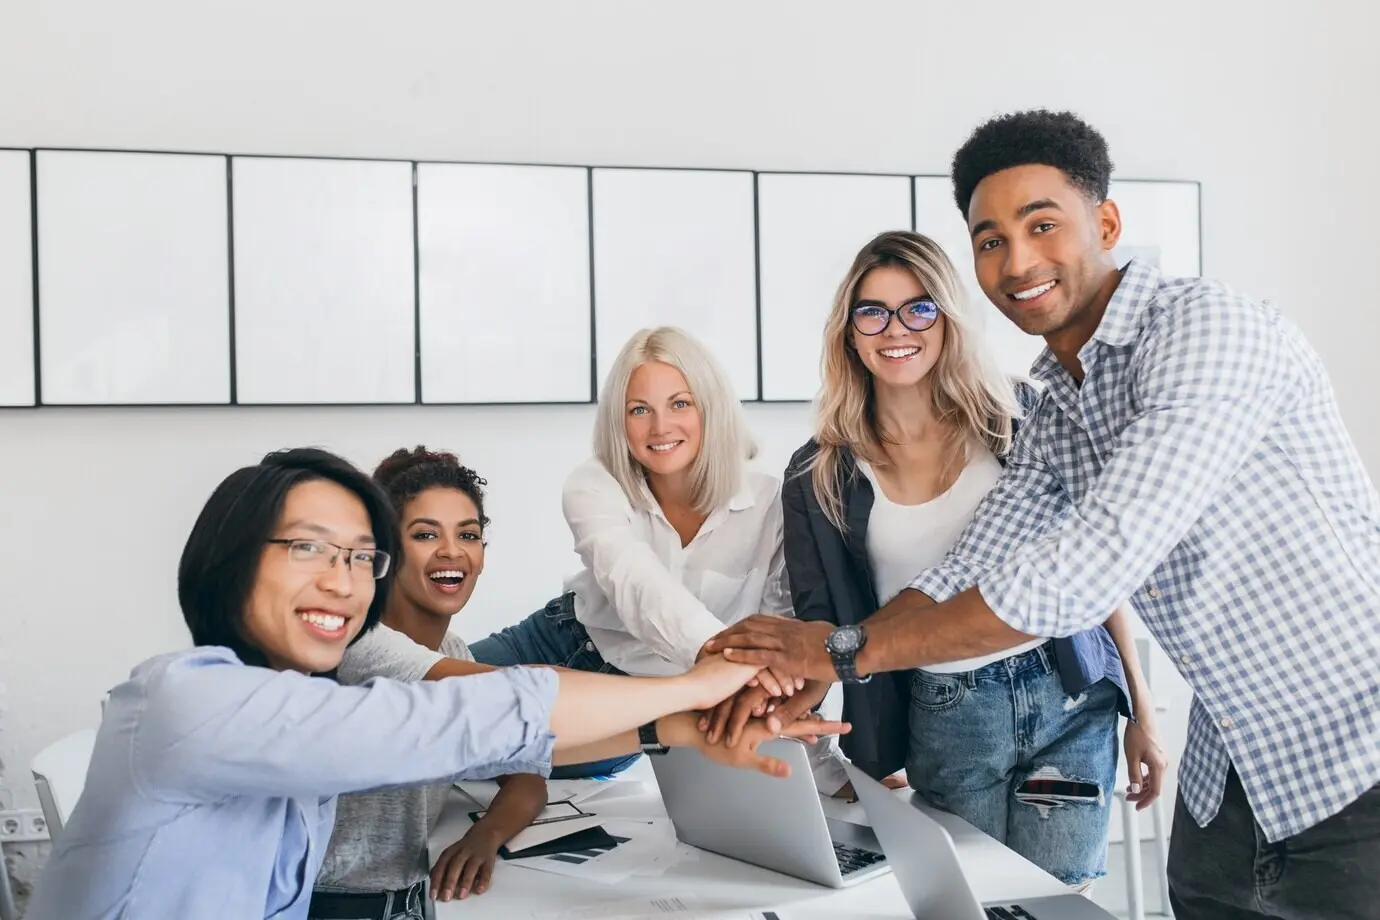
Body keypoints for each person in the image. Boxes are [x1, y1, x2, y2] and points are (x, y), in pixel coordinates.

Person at [705, 109, 1380, 920]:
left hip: (1355, 755)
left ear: (1106, 222)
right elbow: (978, 557)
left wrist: (845, 651)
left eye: (1042, 224)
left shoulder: (1209, 333)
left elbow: (1082, 573)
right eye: (990, 240)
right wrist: (813, 668)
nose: (1017, 260)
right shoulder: (1056, 400)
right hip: (1231, 769)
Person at [25, 447, 846, 920]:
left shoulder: (296, 716)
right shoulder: (190, 700)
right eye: (308, 548)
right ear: (231, 559)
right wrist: (695, 685)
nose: (343, 580)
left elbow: (489, 735)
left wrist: (680, 732)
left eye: (357, 558)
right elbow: (467, 713)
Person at [762, 227, 1162, 889]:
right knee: (970, 900)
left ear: (948, 318)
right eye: (873, 311)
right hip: (942, 712)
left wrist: (1143, 714)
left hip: (1065, 692)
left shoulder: (1020, 415)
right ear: (850, 330)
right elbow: (823, 625)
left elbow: (1096, 571)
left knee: (1059, 900)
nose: (897, 329)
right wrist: (847, 750)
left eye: (919, 307)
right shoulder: (818, 473)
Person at [470, 326, 834, 785]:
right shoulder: (593, 484)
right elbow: (635, 583)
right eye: (639, 410)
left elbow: (779, 638)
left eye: (680, 404)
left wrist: (829, 773)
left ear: (711, 407)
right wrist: (722, 661)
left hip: (642, 711)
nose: (660, 427)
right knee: (412, 711)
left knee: (478, 771)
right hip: (561, 644)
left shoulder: (771, 505)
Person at [312, 447, 546, 918]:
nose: (451, 552)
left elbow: (526, 773)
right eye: (424, 535)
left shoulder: (454, 653)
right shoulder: (359, 645)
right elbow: (531, 701)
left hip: (411, 904)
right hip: (327, 907)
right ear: (386, 552)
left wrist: (485, 837)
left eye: (469, 534)